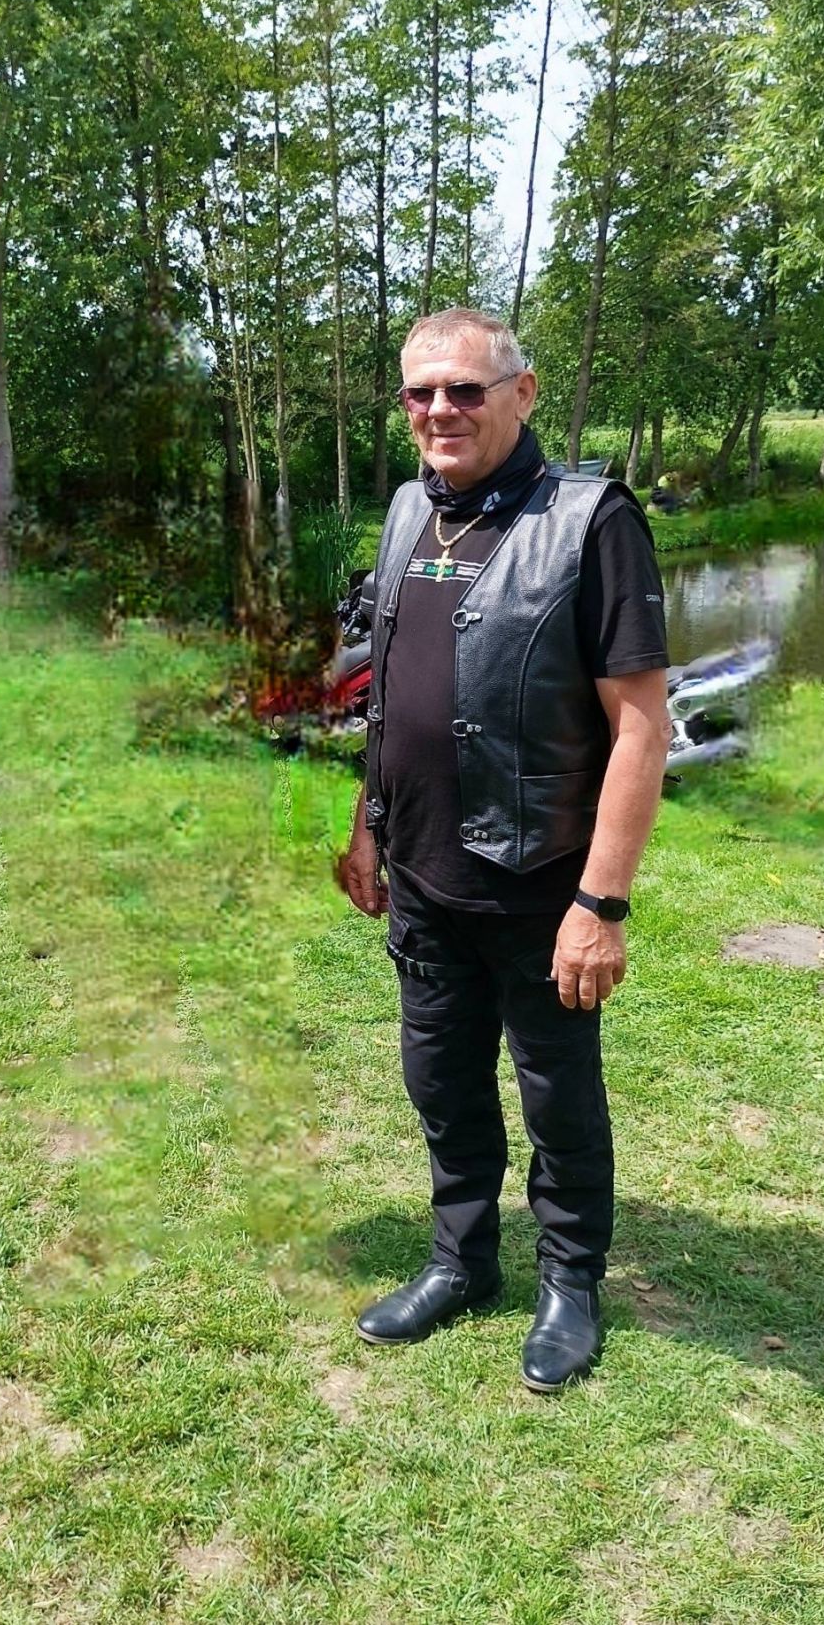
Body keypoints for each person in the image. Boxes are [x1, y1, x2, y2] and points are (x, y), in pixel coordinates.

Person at [339, 309, 671, 1390]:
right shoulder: (407, 510)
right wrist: (367, 824)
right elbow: (390, 689)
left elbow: (640, 726)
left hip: (540, 881)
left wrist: (600, 904)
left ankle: (570, 1282)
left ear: (521, 394)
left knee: (556, 1095)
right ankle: (461, 1260)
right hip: (423, 873)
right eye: (419, 391)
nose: (439, 409)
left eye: (465, 389)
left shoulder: (590, 523)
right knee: (439, 1079)